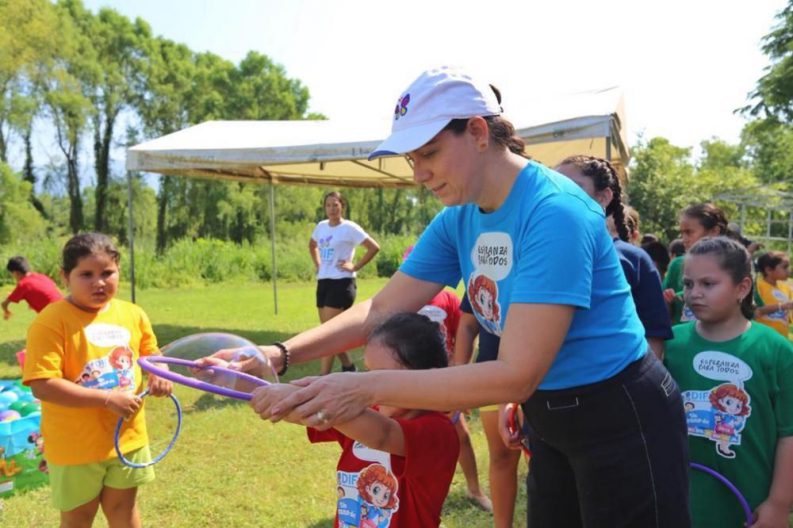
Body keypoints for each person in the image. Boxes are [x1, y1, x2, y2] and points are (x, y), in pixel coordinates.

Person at [219, 66, 690, 527]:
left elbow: (517, 374)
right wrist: (279, 353)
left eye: (429, 153)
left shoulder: (555, 213)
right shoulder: (459, 216)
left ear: (479, 132)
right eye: (411, 159)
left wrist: (366, 386)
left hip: (620, 414)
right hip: (550, 415)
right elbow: (382, 308)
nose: (419, 174)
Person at [252, 312, 459, 527]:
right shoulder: (364, 410)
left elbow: (384, 435)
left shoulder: (438, 431)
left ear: (426, 379)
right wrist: (259, 390)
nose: (367, 386)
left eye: (380, 377)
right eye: (367, 373)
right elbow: (311, 415)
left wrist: (308, 398)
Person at [22, 233, 172, 528]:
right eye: (86, 274)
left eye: (107, 273)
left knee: (124, 510)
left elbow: (151, 354)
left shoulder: (132, 314)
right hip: (75, 447)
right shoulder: (51, 321)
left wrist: (159, 373)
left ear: (118, 270)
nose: (99, 282)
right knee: (78, 518)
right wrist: (106, 398)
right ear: (65, 276)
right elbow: (42, 384)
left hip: (127, 439)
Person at [663, 237, 793, 527]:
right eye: (688, 284)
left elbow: (790, 434)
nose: (694, 293)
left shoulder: (776, 351)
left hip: (750, 505)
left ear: (742, 288)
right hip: (679, 501)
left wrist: (779, 504)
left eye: (708, 284)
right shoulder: (670, 345)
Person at [556, 155, 672, 359]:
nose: (559, 195)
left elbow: (654, 335)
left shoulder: (633, 258)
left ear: (603, 197)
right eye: (554, 187)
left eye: (573, 187)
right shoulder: (542, 253)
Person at [416, 288, 492, 512]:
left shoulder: (448, 299)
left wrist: (459, 372)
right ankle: (419, 494)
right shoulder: (406, 299)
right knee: (416, 438)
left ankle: (474, 490)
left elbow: (465, 332)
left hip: (444, 380)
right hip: (413, 381)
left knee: (461, 435)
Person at [455, 296, 521, 528]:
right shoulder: (483, 274)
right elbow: (467, 325)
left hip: (540, 375)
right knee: (502, 456)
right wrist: (459, 379)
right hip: (493, 374)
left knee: (544, 463)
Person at [309, 191, 380, 375]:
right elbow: (312, 244)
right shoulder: (321, 226)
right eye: (328, 205)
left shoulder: (349, 228)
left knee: (327, 334)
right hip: (323, 281)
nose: (332, 209)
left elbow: (374, 247)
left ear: (342, 206)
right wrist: (318, 264)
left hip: (342, 283)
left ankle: (322, 377)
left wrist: (355, 266)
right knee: (328, 331)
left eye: (335, 205)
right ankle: (348, 367)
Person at [663, 203, 729, 324]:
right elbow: (662, 310)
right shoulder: (677, 265)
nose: (684, 239)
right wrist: (668, 301)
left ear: (714, 231)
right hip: (681, 335)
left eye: (689, 232)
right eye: (682, 233)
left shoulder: (731, 267)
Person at [753, 251, 793, 337]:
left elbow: (788, 316)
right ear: (769, 270)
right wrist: (782, 306)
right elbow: (756, 312)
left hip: (782, 338)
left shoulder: (785, 287)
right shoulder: (757, 287)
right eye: (785, 267)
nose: (789, 270)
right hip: (764, 338)